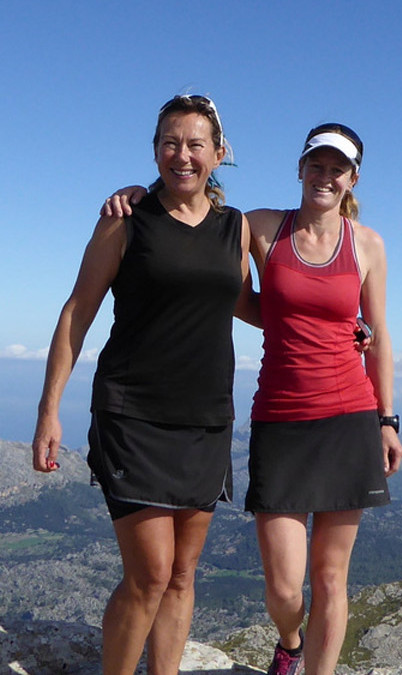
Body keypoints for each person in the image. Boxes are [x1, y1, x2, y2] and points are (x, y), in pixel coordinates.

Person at [104, 123, 402, 675]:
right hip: (282, 419)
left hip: (350, 417)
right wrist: (137, 192)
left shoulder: (368, 245)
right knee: (284, 587)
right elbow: (221, 266)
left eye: (337, 168)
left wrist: (388, 420)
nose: (325, 176)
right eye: (316, 164)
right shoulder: (259, 227)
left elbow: (379, 334)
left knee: (331, 578)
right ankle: (290, 641)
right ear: (300, 168)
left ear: (352, 179)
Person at [33, 93, 249, 675]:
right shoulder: (125, 220)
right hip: (134, 416)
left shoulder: (237, 229)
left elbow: (250, 302)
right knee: (150, 573)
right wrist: (48, 410)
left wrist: (342, 325)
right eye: (170, 143)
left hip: (206, 420)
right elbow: (77, 311)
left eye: (195, 144)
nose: (182, 155)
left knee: (182, 574)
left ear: (219, 153)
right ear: (154, 151)